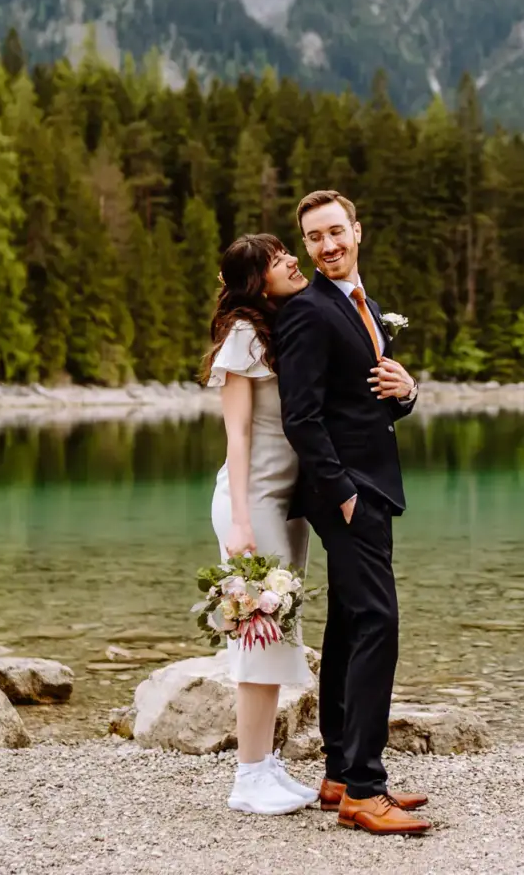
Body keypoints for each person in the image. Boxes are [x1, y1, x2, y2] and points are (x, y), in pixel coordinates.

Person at [274, 190, 431, 836]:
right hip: (348, 494)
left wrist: (407, 393)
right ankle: (366, 791)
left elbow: (361, 400)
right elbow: (301, 417)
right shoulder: (309, 312)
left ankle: (340, 771)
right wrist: (342, 491)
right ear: (307, 245)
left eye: (335, 232)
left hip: (366, 486)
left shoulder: (358, 305)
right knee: (378, 627)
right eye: (314, 238)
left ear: (357, 231)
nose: (327, 245)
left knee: (348, 625)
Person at [201, 233, 318, 816]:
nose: (293, 259)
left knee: (275, 632)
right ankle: (248, 778)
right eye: (277, 260)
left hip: (281, 505)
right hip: (252, 504)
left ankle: (266, 763)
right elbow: (238, 436)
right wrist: (241, 526)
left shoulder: (277, 327)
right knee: (258, 636)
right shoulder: (244, 335)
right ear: (256, 281)